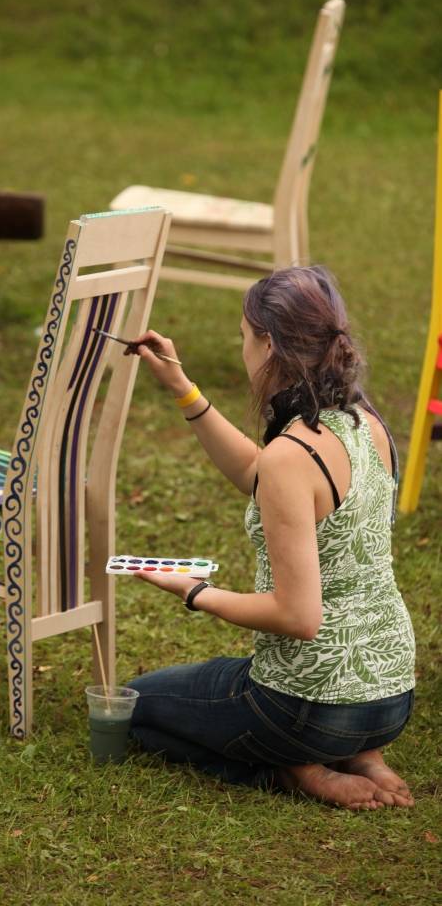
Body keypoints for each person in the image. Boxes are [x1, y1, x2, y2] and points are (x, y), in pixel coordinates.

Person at [126, 265, 416, 810]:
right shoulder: (363, 419)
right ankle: (362, 752)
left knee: (133, 706)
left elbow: (298, 617)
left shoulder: (291, 455)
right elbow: (262, 475)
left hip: (305, 709)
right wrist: (183, 389)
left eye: (243, 337)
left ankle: (297, 769)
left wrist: (193, 592)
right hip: (391, 697)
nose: (242, 350)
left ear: (267, 343)